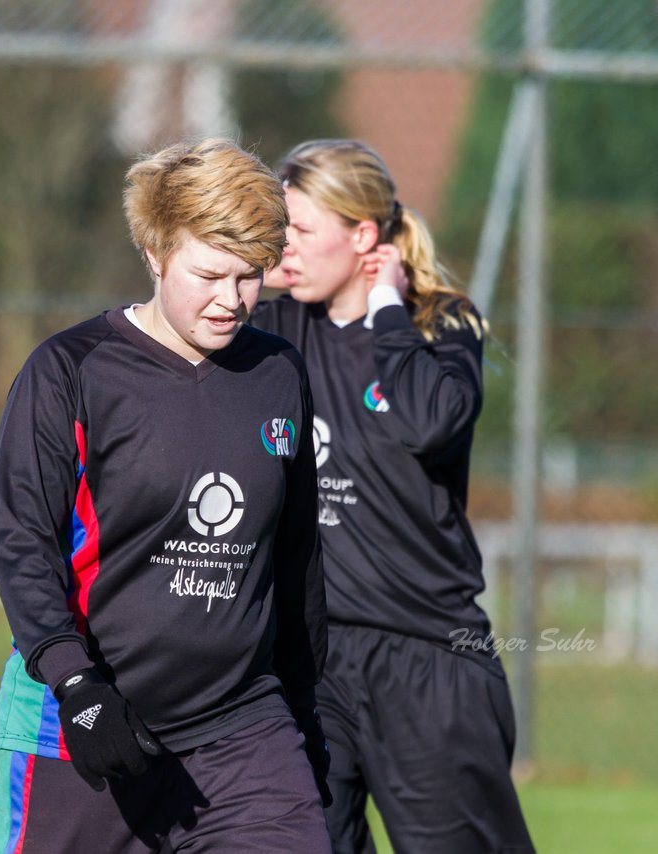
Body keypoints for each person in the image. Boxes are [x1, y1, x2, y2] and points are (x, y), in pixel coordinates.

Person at [0, 138, 331, 854]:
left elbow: (296, 564)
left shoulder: (278, 376)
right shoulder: (71, 372)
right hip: (82, 728)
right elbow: (24, 547)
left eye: (250, 276)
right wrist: (76, 689)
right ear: (157, 253)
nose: (232, 299)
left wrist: (309, 717)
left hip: (240, 736)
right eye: (210, 274)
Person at [251, 139, 535, 854]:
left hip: (428, 660)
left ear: (363, 235)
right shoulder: (273, 333)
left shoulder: (441, 327)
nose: (283, 251)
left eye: (302, 233)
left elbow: (425, 422)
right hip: (314, 664)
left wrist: (387, 311)